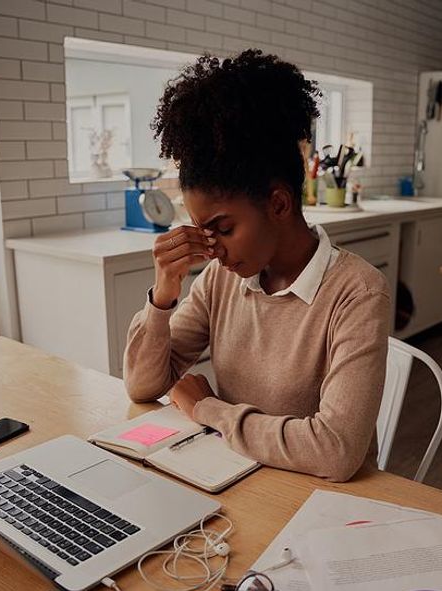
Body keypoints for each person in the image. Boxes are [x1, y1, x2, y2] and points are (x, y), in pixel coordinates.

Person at [123, 50, 390, 482]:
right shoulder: (219, 280)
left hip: (325, 505)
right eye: (200, 231)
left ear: (279, 203)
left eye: (222, 228)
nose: (211, 248)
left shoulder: (357, 291)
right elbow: (142, 385)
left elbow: (336, 451)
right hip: (238, 480)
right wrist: (164, 293)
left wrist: (206, 409)